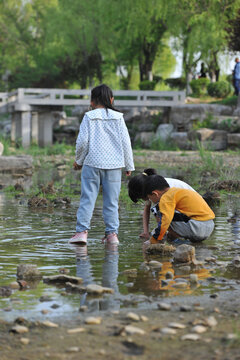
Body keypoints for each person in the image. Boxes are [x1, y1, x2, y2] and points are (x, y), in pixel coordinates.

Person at [69, 84, 135, 245]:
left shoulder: (89, 117)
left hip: (92, 163)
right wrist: (129, 165)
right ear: (111, 100)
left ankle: (81, 233)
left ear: (92, 101)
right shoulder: (118, 118)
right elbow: (126, 143)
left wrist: (79, 160)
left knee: (87, 199)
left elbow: (83, 142)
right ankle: (112, 235)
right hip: (114, 165)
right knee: (112, 202)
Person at [142, 174, 215, 244]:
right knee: (169, 214)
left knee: (158, 212)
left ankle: (178, 240)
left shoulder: (165, 198)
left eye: (149, 197)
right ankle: (182, 240)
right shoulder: (178, 191)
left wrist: (153, 241)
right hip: (209, 226)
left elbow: (165, 221)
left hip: (197, 229)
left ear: (155, 194)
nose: (150, 200)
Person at [128, 168, 196, 239]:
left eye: (141, 197)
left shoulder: (162, 188)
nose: (144, 199)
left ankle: (179, 238)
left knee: (158, 212)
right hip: (192, 214)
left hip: (194, 218)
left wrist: (158, 236)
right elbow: (146, 209)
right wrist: (145, 232)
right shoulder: (153, 186)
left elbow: (162, 217)